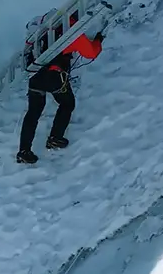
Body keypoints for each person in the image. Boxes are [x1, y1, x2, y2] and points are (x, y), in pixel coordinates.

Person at [17, 15, 105, 164]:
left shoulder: (43, 29)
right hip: (54, 76)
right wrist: (98, 40)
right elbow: (91, 53)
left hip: (35, 75)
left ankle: (24, 151)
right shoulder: (71, 30)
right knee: (67, 104)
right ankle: (55, 137)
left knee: (33, 112)